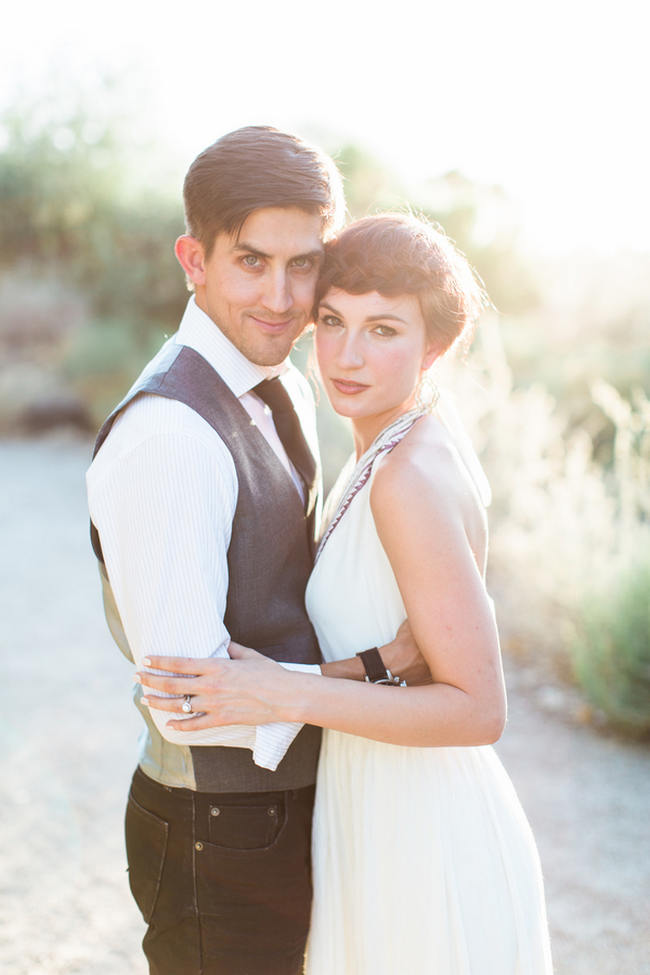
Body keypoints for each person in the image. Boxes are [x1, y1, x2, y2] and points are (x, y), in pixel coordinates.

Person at [140, 213, 554, 973]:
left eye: (385, 329)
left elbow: (478, 708)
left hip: (424, 829)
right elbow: (410, 655)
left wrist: (280, 694)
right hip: (377, 802)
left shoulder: (405, 479)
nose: (349, 354)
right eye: (332, 320)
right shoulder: (392, 443)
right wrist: (350, 669)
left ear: (437, 346)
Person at [86, 131, 425, 975]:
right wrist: (373, 672)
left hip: (281, 809)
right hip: (218, 829)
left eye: (304, 264)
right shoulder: (170, 433)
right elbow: (187, 701)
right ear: (193, 259)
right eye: (251, 261)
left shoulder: (286, 386)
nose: (281, 297)